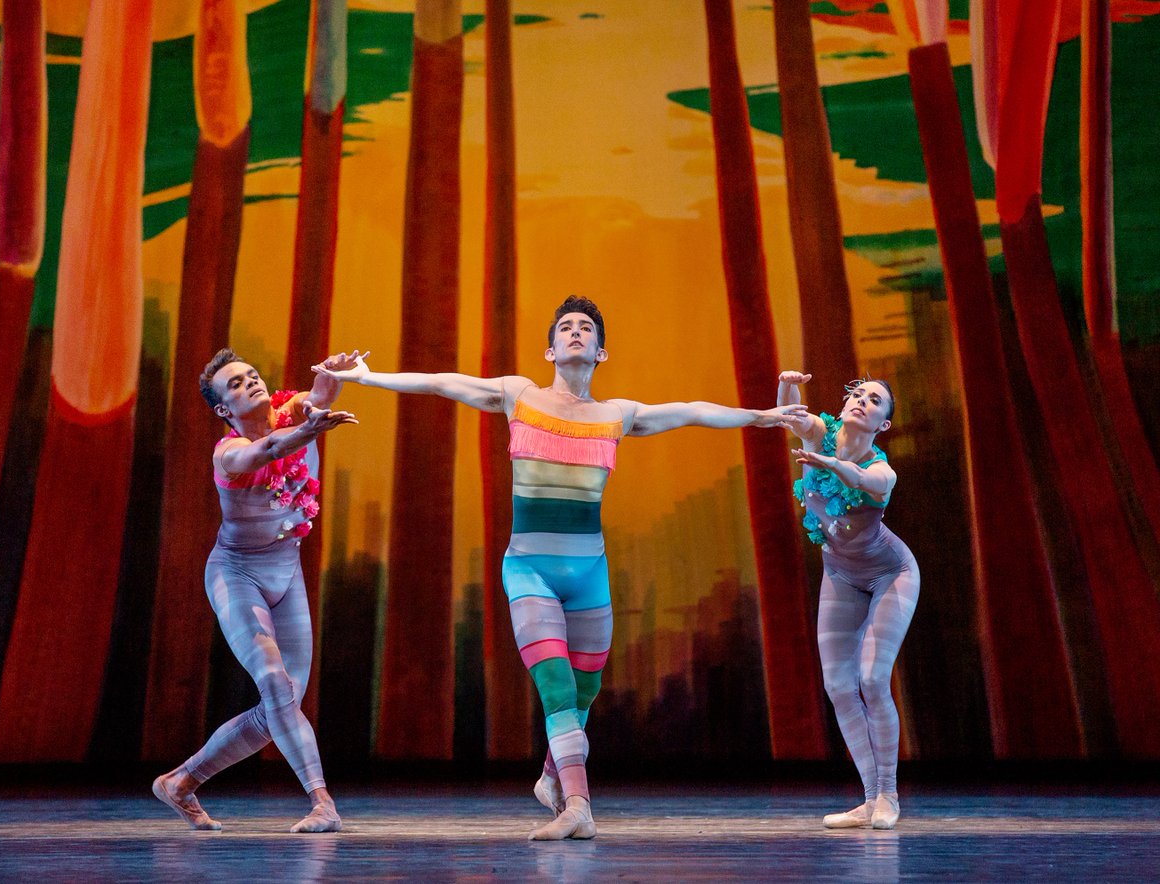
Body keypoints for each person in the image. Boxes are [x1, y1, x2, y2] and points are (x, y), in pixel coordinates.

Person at [314, 296, 807, 840]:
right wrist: (369, 376)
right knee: (556, 690)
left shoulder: (618, 415)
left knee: (584, 693)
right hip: (529, 571)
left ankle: (553, 776)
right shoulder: (518, 395)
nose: (576, 332)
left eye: (586, 328)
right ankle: (578, 806)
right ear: (550, 348)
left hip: (589, 573)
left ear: (600, 351)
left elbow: (693, 410)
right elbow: (440, 381)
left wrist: (763, 416)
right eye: (566, 328)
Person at [152, 348, 359, 833]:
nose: (251, 383)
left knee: (281, 704)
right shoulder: (228, 453)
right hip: (237, 573)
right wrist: (307, 432)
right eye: (236, 385)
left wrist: (331, 375)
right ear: (224, 410)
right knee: (273, 682)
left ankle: (181, 781)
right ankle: (322, 802)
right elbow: (264, 452)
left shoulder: (291, 409)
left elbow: (320, 396)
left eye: (252, 375)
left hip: (287, 575)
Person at [778, 370, 919, 830]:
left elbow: (864, 479)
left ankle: (890, 796)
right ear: (843, 407)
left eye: (874, 399)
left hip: (889, 573)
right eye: (857, 393)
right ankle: (869, 797)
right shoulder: (820, 432)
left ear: (883, 425)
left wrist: (833, 466)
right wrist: (786, 383)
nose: (862, 400)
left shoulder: (883, 469)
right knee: (839, 686)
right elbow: (789, 413)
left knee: (873, 679)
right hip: (839, 572)